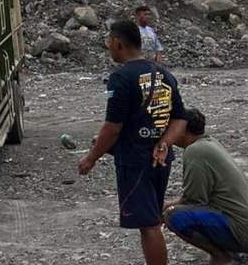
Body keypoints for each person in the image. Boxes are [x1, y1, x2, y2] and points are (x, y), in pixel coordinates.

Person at [78, 19, 187, 265]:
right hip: (161, 159)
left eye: (109, 42)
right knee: (152, 219)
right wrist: (165, 143)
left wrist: (91, 158)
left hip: (135, 161)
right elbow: (180, 118)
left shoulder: (121, 77)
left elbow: (113, 127)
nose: (108, 47)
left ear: (118, 43)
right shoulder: (164, 74)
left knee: (149, 226)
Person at [163, 109, 248, 264]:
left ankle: (220, 256)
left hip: (243, 233)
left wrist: (165, 207)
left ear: (183, 130)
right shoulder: (210, 142)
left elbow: (194, 199)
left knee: (173, 216)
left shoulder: (195, 151)